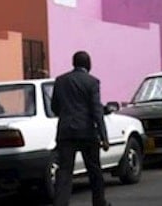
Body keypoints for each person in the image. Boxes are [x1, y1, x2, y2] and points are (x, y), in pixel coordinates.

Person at [51, 50, 110, 206]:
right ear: (88, 64)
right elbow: (97, 111)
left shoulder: (60, 80)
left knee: (64, 172)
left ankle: (60, 203)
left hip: (66, 132)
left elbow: (54, 107)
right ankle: (99, 202)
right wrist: (104, 137)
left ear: (74, 63)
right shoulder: (92, 82)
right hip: (87, 132)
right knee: (94, 171)